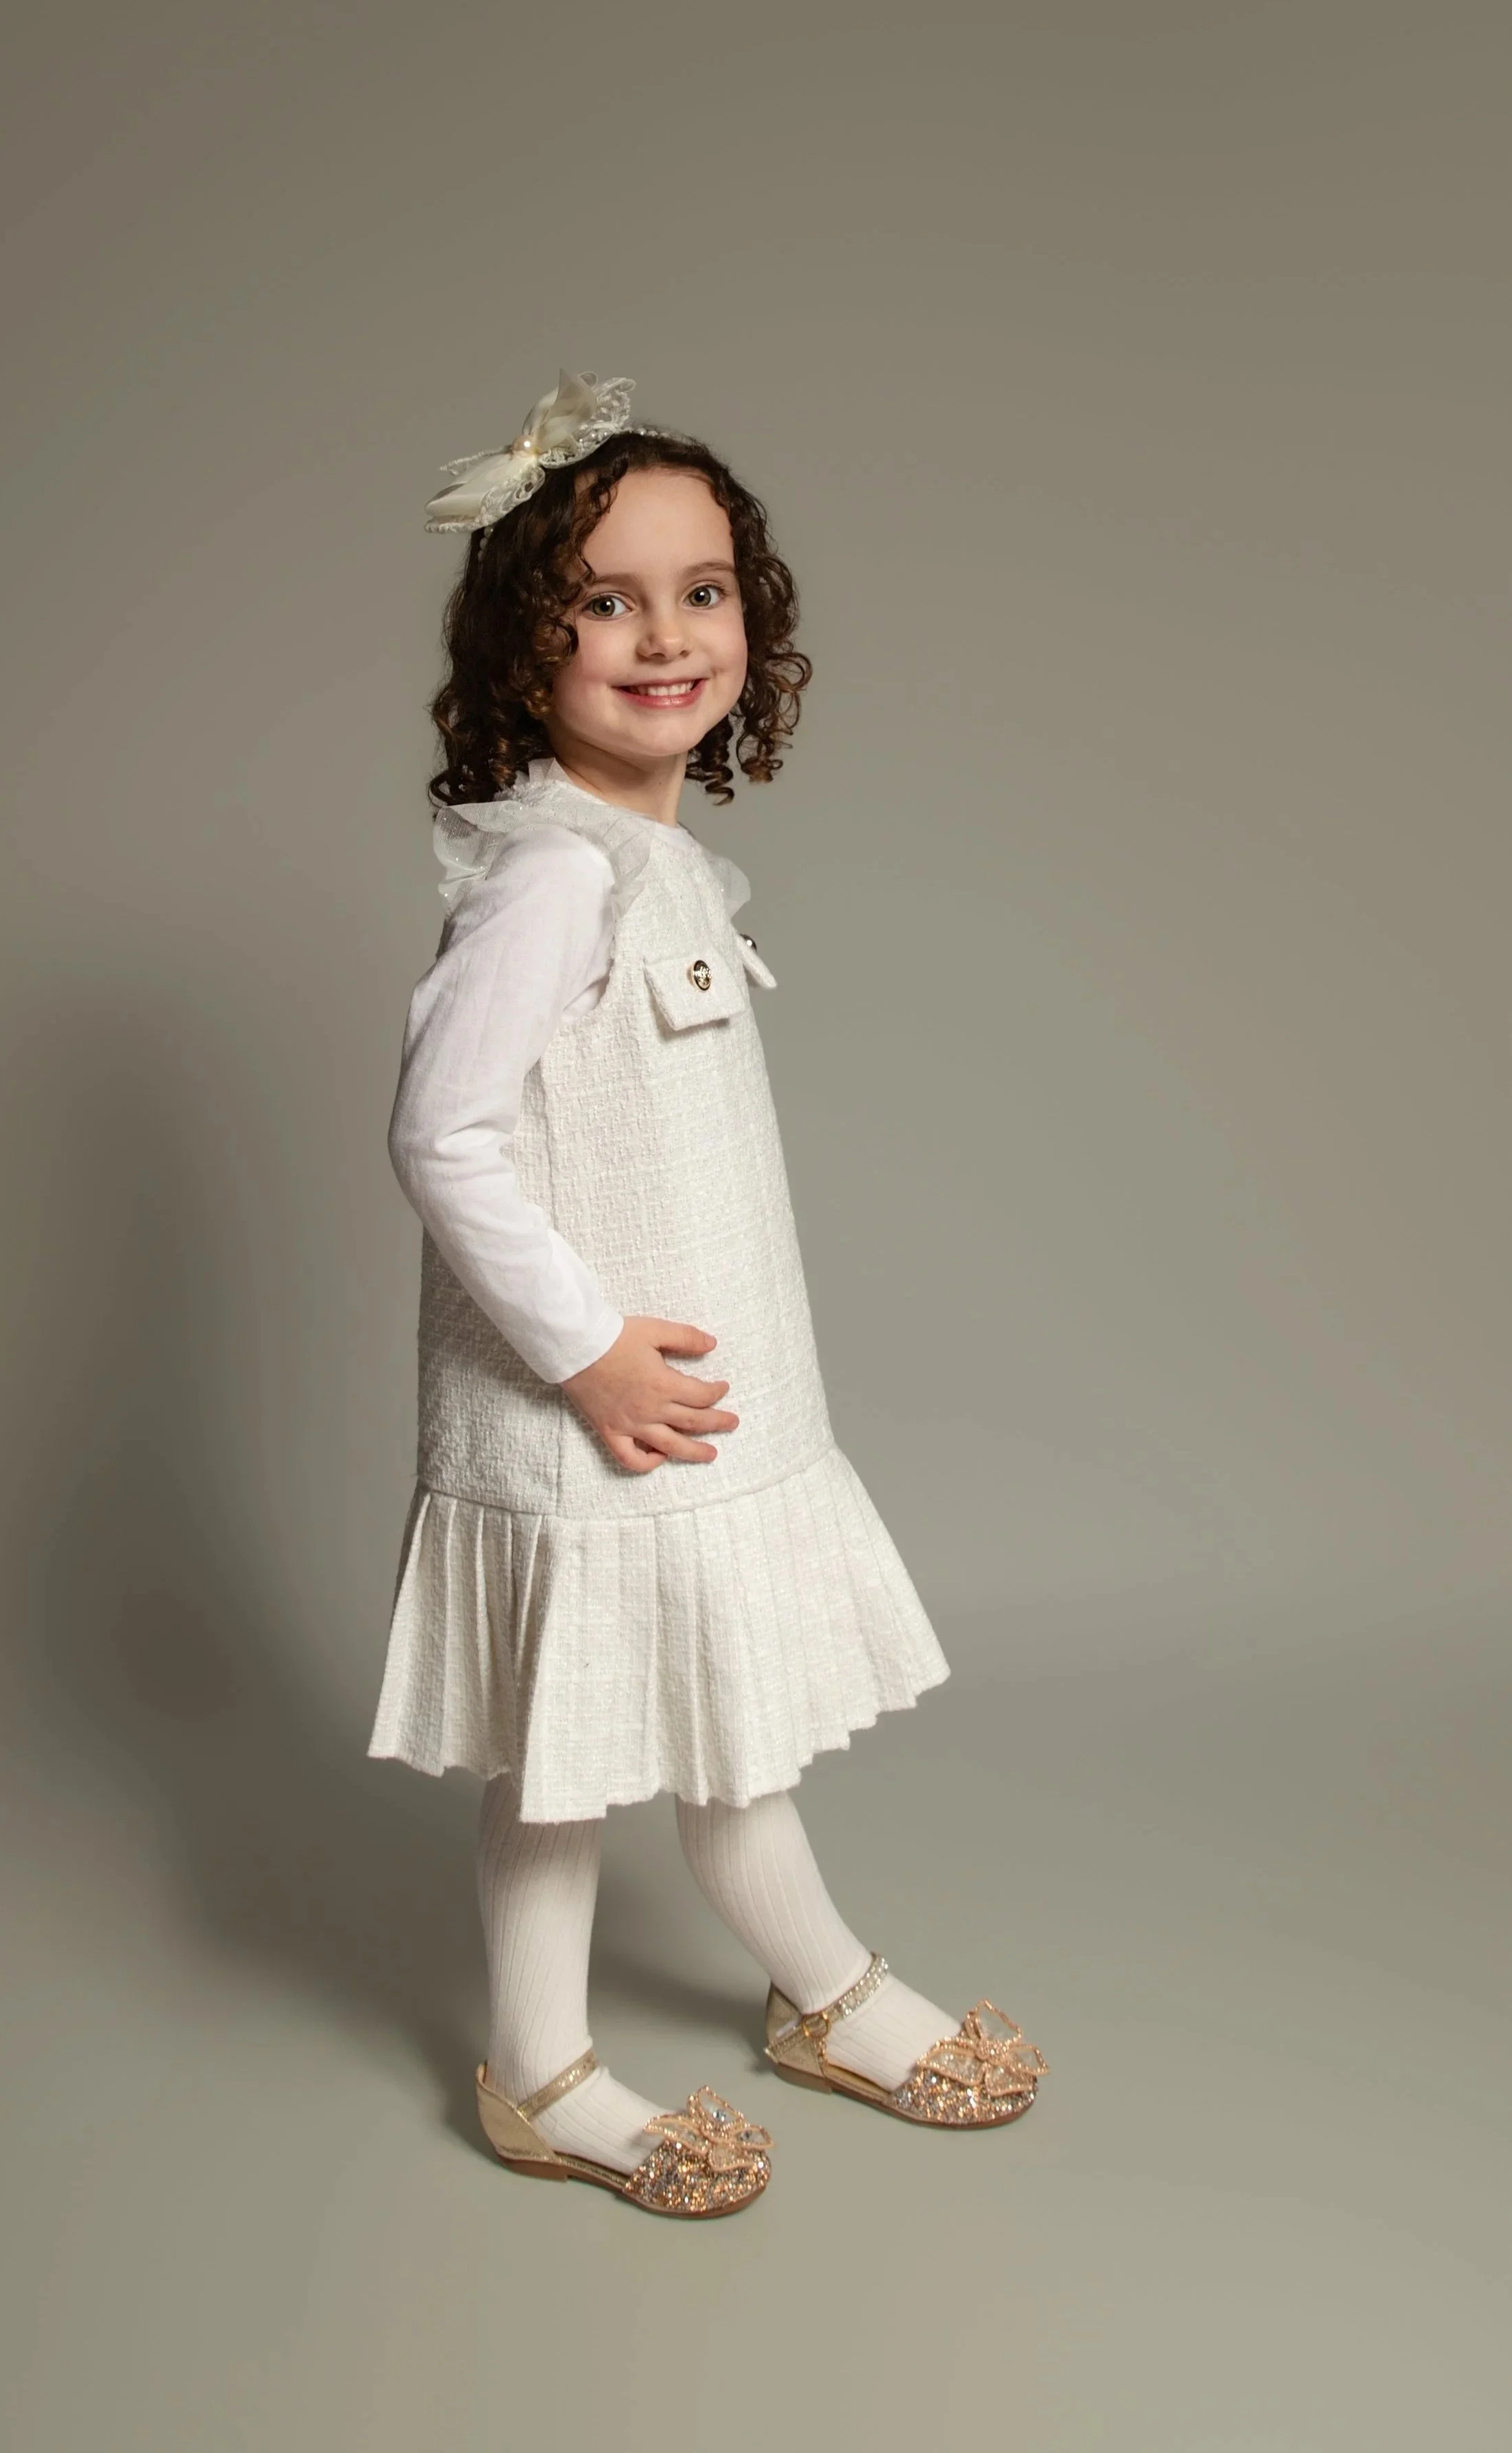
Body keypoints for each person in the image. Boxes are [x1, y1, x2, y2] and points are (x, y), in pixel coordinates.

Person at [370, 372, 1046, 2218]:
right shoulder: (545, 883)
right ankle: (602, 2050)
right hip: (589, 1417)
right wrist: (582, 1352)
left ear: (756, 620)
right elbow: (443, 1136)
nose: (661, 634)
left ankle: (742, 2009)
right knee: (573, 1749)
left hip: (691, 1416)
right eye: (599, 598)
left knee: (659, 1729)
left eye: (701, 589)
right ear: (521, 643)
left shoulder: (644, 858)